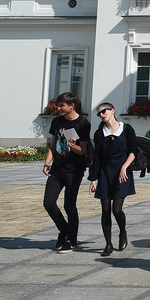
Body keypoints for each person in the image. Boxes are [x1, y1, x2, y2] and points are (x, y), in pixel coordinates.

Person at [87, 102, 137, 257]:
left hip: (122, 170)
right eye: (99, 113)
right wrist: (93, 179)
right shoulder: (99, 133)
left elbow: (134, 151)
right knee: (105, 210)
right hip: (104, 172)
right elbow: (96, 158)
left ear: (113, 110)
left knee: (117, 210)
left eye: (104, 111)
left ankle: (122, 232)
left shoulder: (127, 129)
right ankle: (108, 244)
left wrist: (124, 167)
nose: (102, 114)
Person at [43, 92, 91, 253]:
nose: (58, 108)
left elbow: (82, 151)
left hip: (74, 170)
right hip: (56, 169)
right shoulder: (57, 122)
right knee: (48, 203)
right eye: (58, 104)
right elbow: (53, 145)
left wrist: (73, 146)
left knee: (69, 205)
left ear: (72, 105)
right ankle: (64, 230)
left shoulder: (83, 123)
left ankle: (72, 239)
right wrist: (47, 162)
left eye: (62, 105)